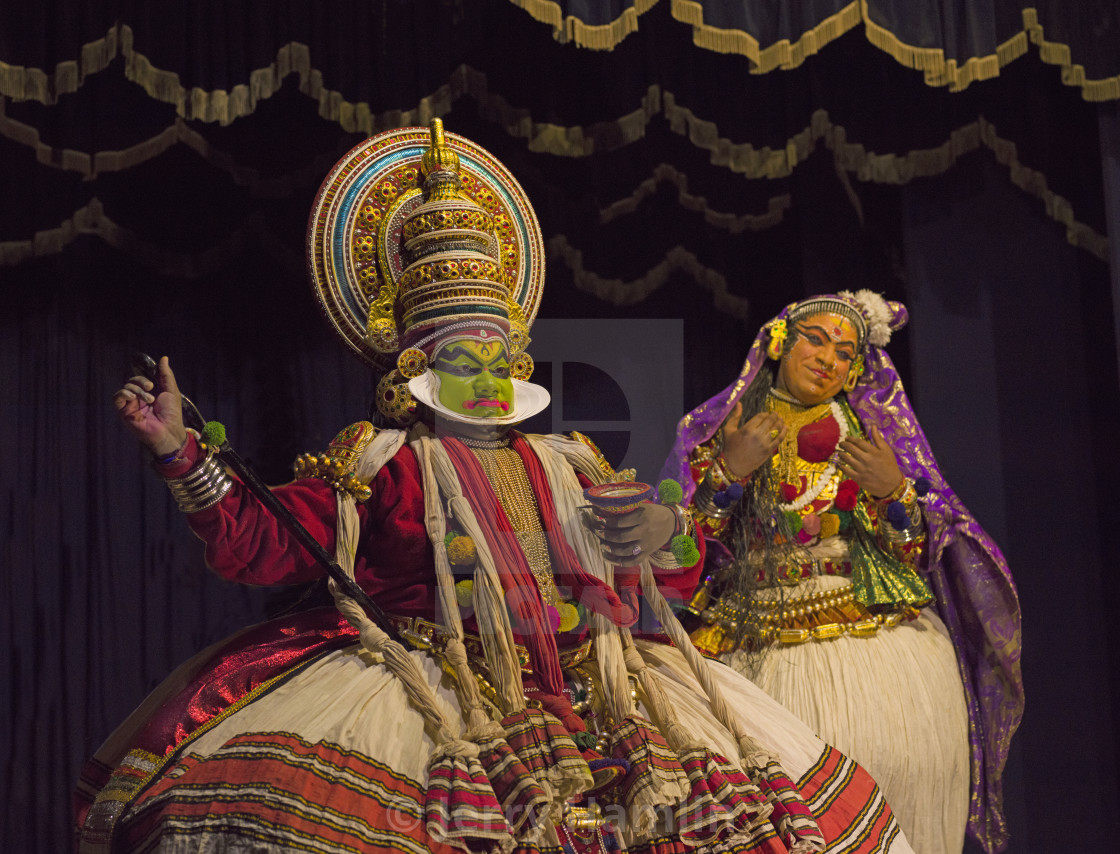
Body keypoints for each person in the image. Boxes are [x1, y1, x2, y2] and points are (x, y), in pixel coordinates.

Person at [75, 123, 916, 854]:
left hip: (598, 691)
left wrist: (667, 534)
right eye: (461, 356)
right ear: (418, 366)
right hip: (434, 695)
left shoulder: (570, 461)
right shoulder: (382, 462)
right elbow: (260, 543)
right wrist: (184, 454)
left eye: (498, 353)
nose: (487, 373)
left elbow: (667, 583)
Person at [661, 292, 1023, 854]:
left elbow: (914, 555)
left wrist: (895, 492)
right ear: (780, 341)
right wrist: (730, 469)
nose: (828, 358)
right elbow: (681, 553)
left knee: (899, 775)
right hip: (750, 635)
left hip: (876, 634)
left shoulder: (871, 434)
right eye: (817, 338)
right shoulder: (726, 426)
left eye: (845, 352)